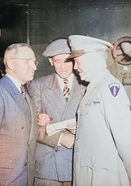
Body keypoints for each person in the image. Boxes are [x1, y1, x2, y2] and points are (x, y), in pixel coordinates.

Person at [66, 35, 131, 186]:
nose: (75, 67)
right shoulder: (93, 87)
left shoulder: (109, 88)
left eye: (77, 61)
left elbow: (125, 139)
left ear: (94, 60)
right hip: (90, 174)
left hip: (104, 178)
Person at [28, 38, 86, 186]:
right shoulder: (38, 85)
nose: (63, 67)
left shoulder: (86, 85)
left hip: (78, 162)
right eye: (58, 61)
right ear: (50, 61)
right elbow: (31, 125)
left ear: (74, 61)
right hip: (48, 165)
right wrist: (60, 138)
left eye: (67, 61)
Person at [0, 43, 38, 186]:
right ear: (11, 63)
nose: (34, 67)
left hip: (25, 177)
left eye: (34, 61)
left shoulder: (24, 92)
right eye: (28, 61)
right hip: (6, 179)